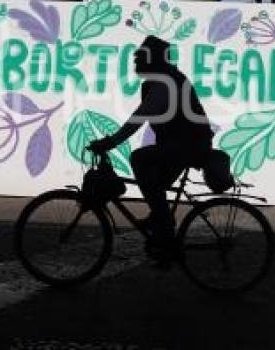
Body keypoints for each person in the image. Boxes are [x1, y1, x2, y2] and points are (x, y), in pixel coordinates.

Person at [88, 35, 213, 260]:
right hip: (185, 144)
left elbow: (138, 118)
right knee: (155, 184)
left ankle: (163, 223)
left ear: (152, 60)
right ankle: (161, 226)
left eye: (139, 59)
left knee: (139, 159)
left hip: (189, 145)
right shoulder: (163, 80)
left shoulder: (166, 83)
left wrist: (111, 142)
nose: (135, 64)